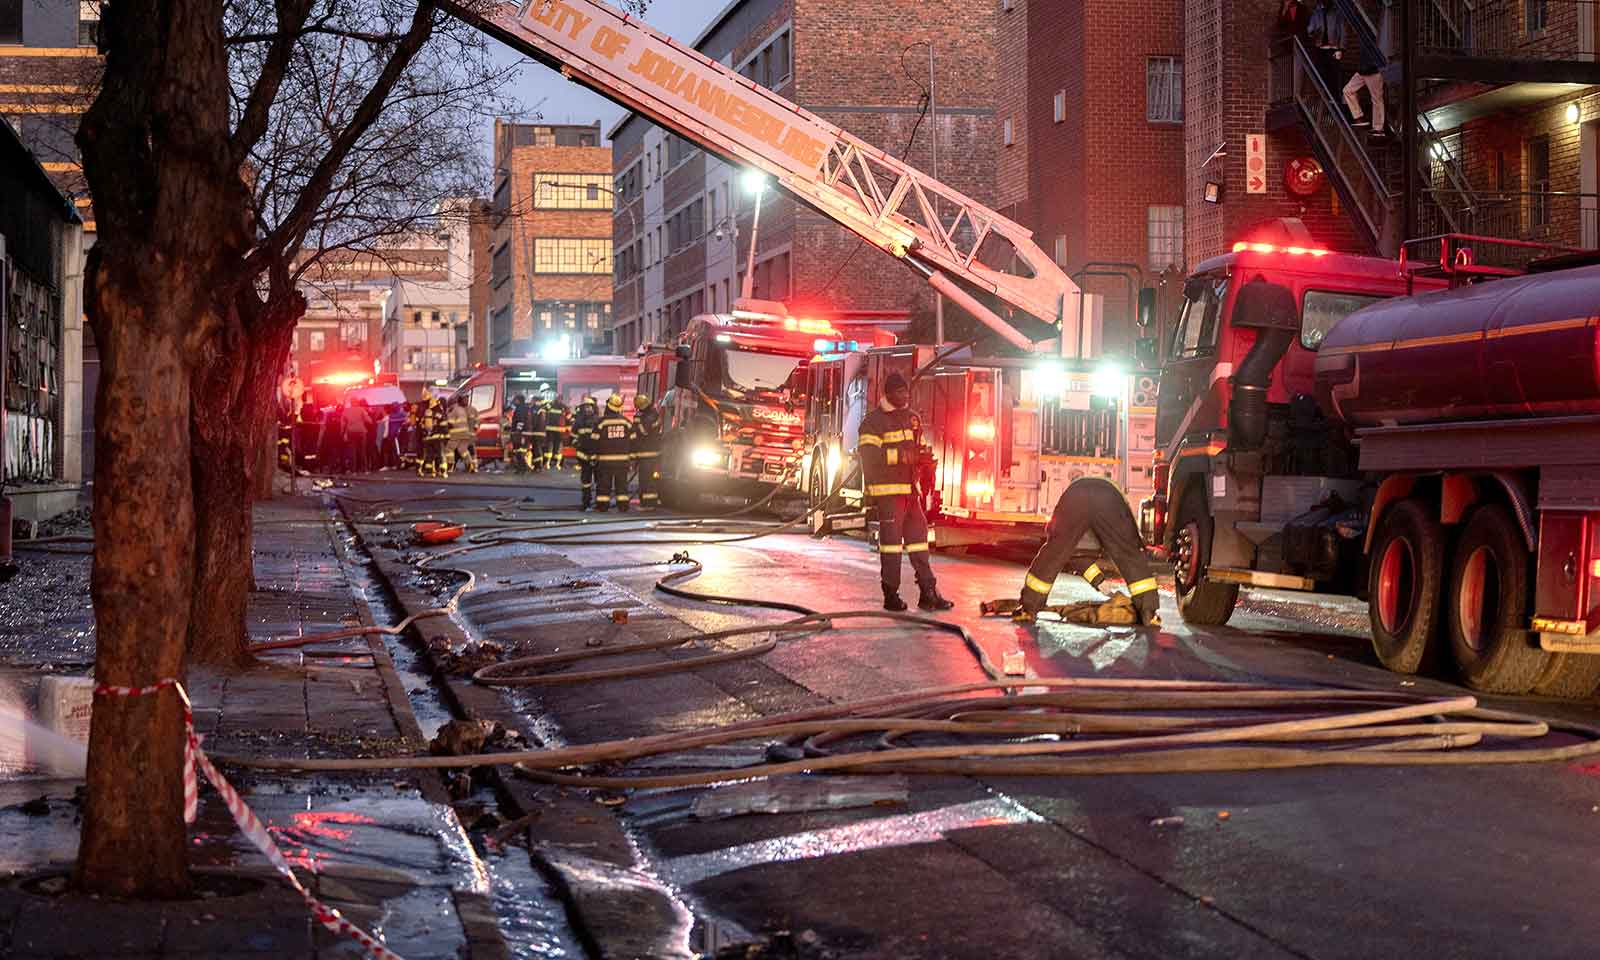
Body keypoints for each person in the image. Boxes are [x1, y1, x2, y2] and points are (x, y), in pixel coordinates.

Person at [859, 373, 953, 612]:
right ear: (888, 394)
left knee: (920, 542)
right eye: (900, 392)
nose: (905, 396)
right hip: (888, 494)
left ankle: (928, 592)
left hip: (911, 493)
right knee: (891, 546)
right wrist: (903, 457)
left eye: (907, 392)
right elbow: (869, 458)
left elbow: (916, 448)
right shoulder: (873, 422)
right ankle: (891, 595)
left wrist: (924, 463)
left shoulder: (912, 418)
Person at [1012, 477, 1160, 625]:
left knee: (1054, 552)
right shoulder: (1107, 513)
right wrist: (1102, 584)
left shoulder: (1079, 544)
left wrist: (1102, 585)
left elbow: (1079, 558)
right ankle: (1149, 613)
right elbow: (1129, 547)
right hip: (1108, 497)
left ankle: (1028, 610)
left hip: (1075, 495)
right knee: (1129, 554)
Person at [590, 394, 633, 512]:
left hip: (605, 462)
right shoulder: (626, 422)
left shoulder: (601, 422)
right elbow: (634, 439)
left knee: (604, 486)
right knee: (622, 486)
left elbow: (594, 441)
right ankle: (623, 506)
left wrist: (593, 457)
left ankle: (602, 506)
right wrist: (632, 457)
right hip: (622, 462)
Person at [1342, 31, 1386, 138]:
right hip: (1362, 71)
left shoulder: (1376, 36)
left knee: (1377, 99)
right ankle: (1358, 117)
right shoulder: (1363, 36)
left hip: (1374, 71)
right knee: (1347, 90)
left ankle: (1378, 129)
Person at [629, 393, 662, 509]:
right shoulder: (652, 414)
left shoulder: (650, 416)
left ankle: (647, 504)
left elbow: (643, 431)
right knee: (649, 480)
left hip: (647, 453)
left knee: (646, 480)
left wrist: (637, 423)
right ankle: (650, 502)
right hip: (650, 452)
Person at [571, 395, 600, 509]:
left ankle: (599, 503)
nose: (588, 409)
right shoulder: (578, 421)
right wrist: (576, 443)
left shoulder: (598, 421)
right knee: (585, 482)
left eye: (590, 407)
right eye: (586, 407)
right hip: (583, 456)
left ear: (594, 408)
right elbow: (573, 437)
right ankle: (586, 502)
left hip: (596, 457)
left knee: (599, 482)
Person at [446, 394, 479, 474]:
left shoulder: (453, 409)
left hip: (456, 433)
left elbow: (450, 423)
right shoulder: (462, 410)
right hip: (465, 434)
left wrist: (446, 430)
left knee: (449, 449)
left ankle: (450, 466)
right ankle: (471, 465)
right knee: (463, 450)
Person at [419, 391, 449, 477]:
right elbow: (443, 424)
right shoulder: (439, 412)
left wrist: (425, 435)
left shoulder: (426, 412)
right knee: (441, 455)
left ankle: (431, 472)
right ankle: (443, 472)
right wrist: (447, 436)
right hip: (438, 438)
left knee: (430, 456)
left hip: (428, 438)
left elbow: (421, 425)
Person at [505, 394, 530, 472]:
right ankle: (521, 468)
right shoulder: (525, 408)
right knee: (519, 451)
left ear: (518, 400)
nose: (514, 401)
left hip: (521, 434)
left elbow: (520, 421)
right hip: (524, 433)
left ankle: (522, 468)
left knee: (519, 451)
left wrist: (517, 431)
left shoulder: (520, 409)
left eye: (515, 400)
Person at [544, 398, 570, 470]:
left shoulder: (550, 405)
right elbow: (568, 418)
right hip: (560, 430)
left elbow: (544, 411)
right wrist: (567, 427)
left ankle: (548, 463)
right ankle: (556, 464)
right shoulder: (564, 407)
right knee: (558, 447)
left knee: (550, 446)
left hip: (550, 430)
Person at [527, 395, 549, 472]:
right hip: (542, 432)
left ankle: (538, 466)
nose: (531, 402)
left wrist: (531, 428)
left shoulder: (536, 409)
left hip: (537, 432)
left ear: (535, 401)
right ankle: (538, 466)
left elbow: (534, 421)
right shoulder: (543, 409)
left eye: (532, 400)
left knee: (537, 449)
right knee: (538, 449)